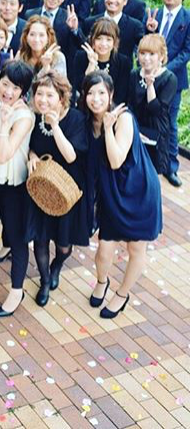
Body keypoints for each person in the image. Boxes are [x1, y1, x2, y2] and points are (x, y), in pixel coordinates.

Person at [82, 71, 162, 318]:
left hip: (138, 191)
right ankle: (102, 281)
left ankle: (122, 293)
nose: (96, 98)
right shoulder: (86, 122)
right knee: (104, 250)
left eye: (101, 93)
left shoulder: (123, 118)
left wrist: (108, 129)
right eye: (90, 93)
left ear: (111, 94)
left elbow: (116, 160)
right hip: (111, 193)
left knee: (136, 249)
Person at [26, 70, 89, 305]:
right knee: (40, 239)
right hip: (41, 188)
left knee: (63, 246)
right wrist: (31, 155)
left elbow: (71, 156)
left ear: (62, 98)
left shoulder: (75, 119)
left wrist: (55, 126)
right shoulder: (34, 118)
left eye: (49, 95)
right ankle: (44, 281)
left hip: (67, 190)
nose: (43, 100)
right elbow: (29, 144)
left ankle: (57, 266)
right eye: (39, 94)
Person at [0, 60, 35, 316]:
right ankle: (4, 246)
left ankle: (17, 290)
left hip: (14, 180)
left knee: (18, 236)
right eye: (5, 84)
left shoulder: (23, 116)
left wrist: (6, 123)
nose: (8, 92)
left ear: (23, 91)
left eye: (16, 88)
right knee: (6, 221)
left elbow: (4, 154)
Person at [145, 0, 190, 186]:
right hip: (147, 77)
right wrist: (148, 29)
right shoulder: (154, 15)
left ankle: (171, 166)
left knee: (170, 123)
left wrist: (163, 69)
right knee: (147, 119)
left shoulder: (187, 19)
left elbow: (186, 51)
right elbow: (144, 43)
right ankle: (150, 162)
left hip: (173, 80)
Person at [127, 34, 177, 176]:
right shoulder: (134, 74)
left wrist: (150, 86)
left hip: (156, 130)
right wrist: (133, 130)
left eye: (151, 54)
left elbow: (156, 110)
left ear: (161, 56)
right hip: (136, 127)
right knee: (133, 169)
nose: (146, 58)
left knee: (152, 173)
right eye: (142, 53)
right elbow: (130, 104)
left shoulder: (169, 78)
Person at [74, 0, 143, 60]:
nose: (112, 0)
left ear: (125, 1)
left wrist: (151, 30)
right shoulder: (90, 22)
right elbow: (82, 46)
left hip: (122, 67)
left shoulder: (134, 26)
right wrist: (74, 29)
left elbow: (145, 46)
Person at [70, 18, 131, 105]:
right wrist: (91, 65)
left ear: (115, 42)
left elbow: (121, 97)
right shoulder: (81, 57)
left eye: (108, 39)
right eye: (99, 39)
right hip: (86, 106)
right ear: (92, 39)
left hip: (112, 108)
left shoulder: (123, 62)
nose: (103, 44)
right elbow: (81, 90)